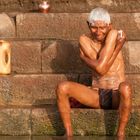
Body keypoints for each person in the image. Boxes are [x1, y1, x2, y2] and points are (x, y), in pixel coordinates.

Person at [56, 7, 132, 138]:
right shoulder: (84, 39)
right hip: (96, 94)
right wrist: (118, 47)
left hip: (116, 95)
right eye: (94, 27)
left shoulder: (114, 34)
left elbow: (101, 67)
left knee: (126, 88)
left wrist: (84, 58)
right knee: (62, 87)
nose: (98, 32)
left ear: (109, 26)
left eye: (102, 27)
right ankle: (68, 133)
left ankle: (120, 134)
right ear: (88, 25)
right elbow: (100, 69)